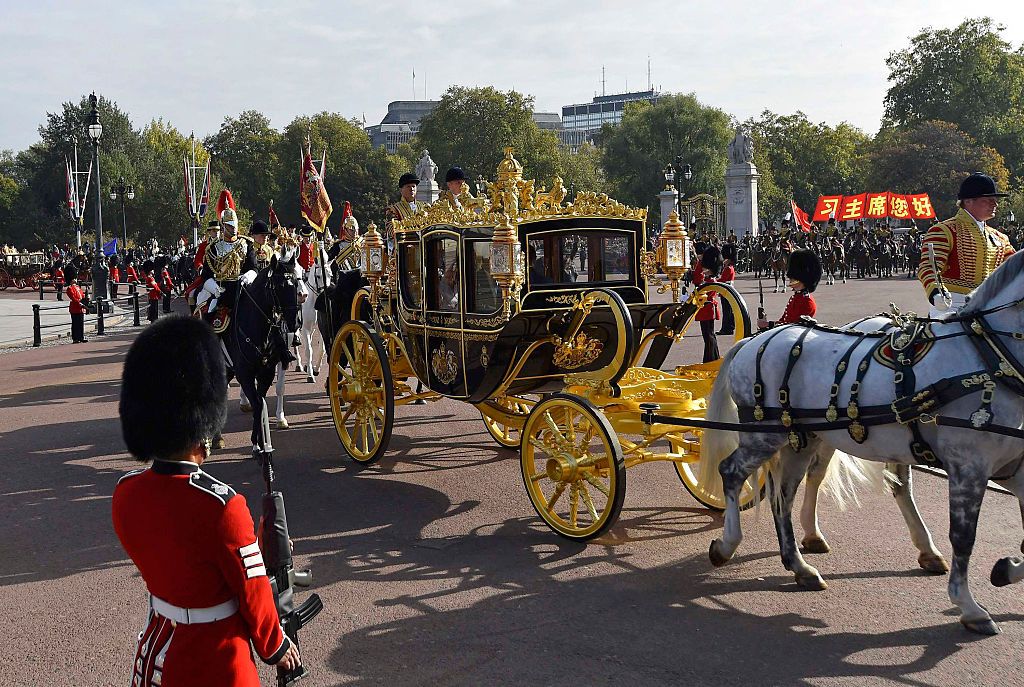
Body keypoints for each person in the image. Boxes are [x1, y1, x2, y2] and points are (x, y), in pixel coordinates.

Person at [112, 316, 300, 686]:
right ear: (204, 429)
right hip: (217, 661)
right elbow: (252, 591)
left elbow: (189, 559)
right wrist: (276, 647)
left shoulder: (126, 494)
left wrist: (252, 545)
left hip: (158, 654)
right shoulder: (223, 506)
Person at [917, 172, 1015, 317]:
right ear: (968, 201)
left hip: (989, 308)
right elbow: (929, 267)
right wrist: (936, 292)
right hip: (951, 307)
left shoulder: (1000, 238)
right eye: (988, 200)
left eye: (994, 200)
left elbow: (1015, 268)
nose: (995, 204)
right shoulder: (944, 230)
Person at [195, 198, 258, 331]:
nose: (233, 228)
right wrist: (214, 288)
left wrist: (248, 276)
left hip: (242, 288)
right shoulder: (213, 248)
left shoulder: (246, 244)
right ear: (223, 225)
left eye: (234, 225)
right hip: (221, 289)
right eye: (229, 225)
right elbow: (206, 274)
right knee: (209, 319)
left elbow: (253, 267)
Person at [758, 249, 821, 328]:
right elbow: (783, 321)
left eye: (793, 278)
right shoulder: (795, 297)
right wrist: (767, 324)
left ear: (803, 279)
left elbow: (792, 326)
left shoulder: (807, 302)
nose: (791, 279)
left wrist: (768, 324)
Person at [692, 245, 723, 363]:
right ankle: (713, 357)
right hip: (708, 310)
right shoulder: (710, 280)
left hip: (706, 310)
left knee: (708, 336)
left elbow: (699, 292)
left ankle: (710, 359)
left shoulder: (709, 282)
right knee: (709, 336)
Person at [717, 243, 737, 335]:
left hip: (726, 290)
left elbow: (722, 279)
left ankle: (726, 329)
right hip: (728, 289)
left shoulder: (728, 268)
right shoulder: (729, 267)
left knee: (726, 311)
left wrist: (714, 280)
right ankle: (730, 327)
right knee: (728, 310)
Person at [66, 273, 87, 343]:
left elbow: (82, 295)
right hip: (75, 308)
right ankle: (75, 338)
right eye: (74, 278)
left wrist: (85, 301)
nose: (76, 279)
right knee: (75, 324)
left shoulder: (78, 287)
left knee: (81, 323)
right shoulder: (69, 288)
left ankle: (81, 337)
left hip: (80, 308)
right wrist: (80, 303)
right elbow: (73, 297)